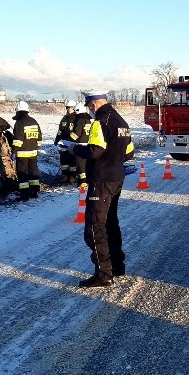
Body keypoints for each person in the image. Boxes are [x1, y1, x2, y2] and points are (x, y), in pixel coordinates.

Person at [68, 90, 135, 288]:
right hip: (116, 179)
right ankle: (117, 266)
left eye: (89, 106)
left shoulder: (100, 121)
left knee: (95, 227)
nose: (89, 110)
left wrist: (74, 148)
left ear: (93, 104)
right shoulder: (121, 121)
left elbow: (94, 151)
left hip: (101, 180)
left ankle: (103, 274)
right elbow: (129, 152)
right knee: (110, 224)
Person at [11, 100, 42, 200]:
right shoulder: (34, 121)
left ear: (18, 111)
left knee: (22, 173)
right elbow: (39, 137)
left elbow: (18, 140)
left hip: (22, 153)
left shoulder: (19, 123)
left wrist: (14, 151)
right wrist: (36, 147)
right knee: (33, 171)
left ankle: (24, 194)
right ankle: (34, 191)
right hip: (33, 152)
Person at [54, 100, 77, 183]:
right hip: (63, 142)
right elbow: (60, 130)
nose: (67, 109)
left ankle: (72, 176)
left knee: (72, 161)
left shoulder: (77, 118)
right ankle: (65, 175)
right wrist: (57, 139)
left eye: (69, 108)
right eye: (67, 108)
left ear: (74, 108)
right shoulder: (64, 118)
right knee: (64, 160)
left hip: (72, 143)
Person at [70, 102, 91, 186]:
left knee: (80, 164)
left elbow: (76, 135)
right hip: (89, 144)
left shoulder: (80, 120)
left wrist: (69, 135)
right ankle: (88, 179)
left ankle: (82, 181)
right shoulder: (90, 119)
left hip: (80, 144)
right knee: (87, 163)